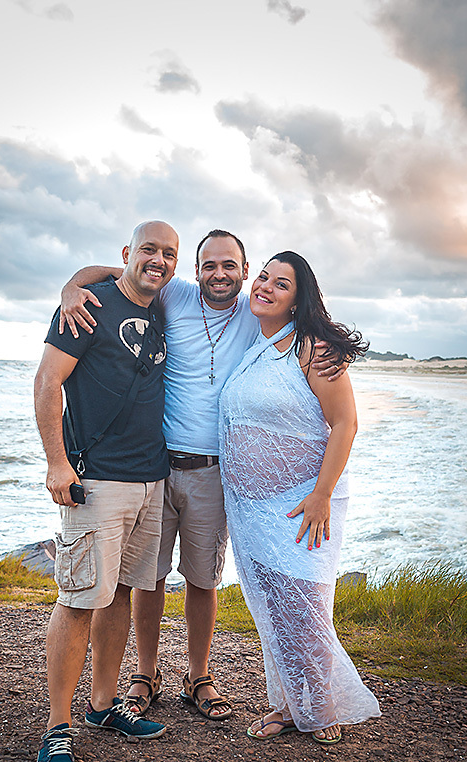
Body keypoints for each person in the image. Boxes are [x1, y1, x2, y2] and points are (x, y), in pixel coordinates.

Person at [58, 231, 348, 723]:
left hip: (215, 474)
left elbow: (314, 378)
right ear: (194, 271)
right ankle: (145, 676)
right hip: (154, 465)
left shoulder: (258, 317)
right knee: (147, 579)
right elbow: (115, 272)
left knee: (203, 579)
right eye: (209, 265)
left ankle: (198, 676)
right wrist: (70, 287)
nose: (220, 274)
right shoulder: (174, 294)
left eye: (230, 266)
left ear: (243, 269)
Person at [31, 220, 177, 762]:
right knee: (77, 600)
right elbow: (48, 382)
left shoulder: (164, 310)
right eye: (148, 250)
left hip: (151, 479)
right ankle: (57, 726)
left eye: (168, 254)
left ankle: (102, 705)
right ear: (126, 254)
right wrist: (55, 463)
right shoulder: (86, 306)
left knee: (118, 594)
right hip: (97, 481)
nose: (157, 261)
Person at [219, 250, 380, 745]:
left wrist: (321, 494)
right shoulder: (256, 347)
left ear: (297, 299)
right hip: (251, 510)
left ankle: (322, 706)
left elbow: (345, 424)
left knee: (305, 602)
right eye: (262, 277)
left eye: (280, 284)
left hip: (302, 503)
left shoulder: (312, 348)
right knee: (274, 605)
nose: (264, 286)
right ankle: (290, 703)